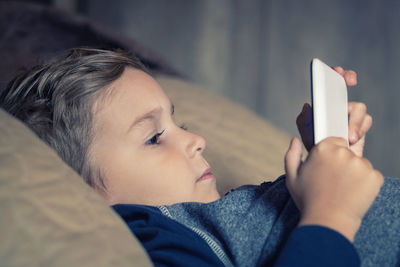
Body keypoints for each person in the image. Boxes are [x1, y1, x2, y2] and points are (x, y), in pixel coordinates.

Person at [1, 47, 395, 266]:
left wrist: (329, 160)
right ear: (84, 194)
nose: (197, 139)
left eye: (179, 122)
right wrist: (331, 215)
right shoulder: (156, 238)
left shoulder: (210, 215)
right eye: (155, 137)